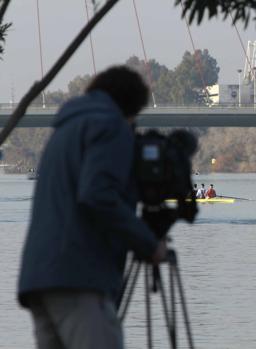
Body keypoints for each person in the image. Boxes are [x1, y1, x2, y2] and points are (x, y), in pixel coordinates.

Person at [17, 66, 167, 349]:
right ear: (131, 108)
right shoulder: (110, 126)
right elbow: (97, 194)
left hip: (38, 281)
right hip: (79, 279)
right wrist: (148, 244)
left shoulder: (65, 130)